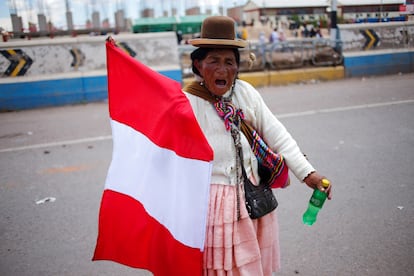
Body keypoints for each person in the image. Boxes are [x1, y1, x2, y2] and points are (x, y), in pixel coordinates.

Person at [183, 16, 332, 275]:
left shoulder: (246, 94)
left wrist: (308, 173)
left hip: (252, 197)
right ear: (198, 64)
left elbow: (278, 136)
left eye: (229, 62)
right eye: (213, 61)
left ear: (237, 67)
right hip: (212, 203)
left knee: (251, 267)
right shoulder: (186, 102)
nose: (222, 69)